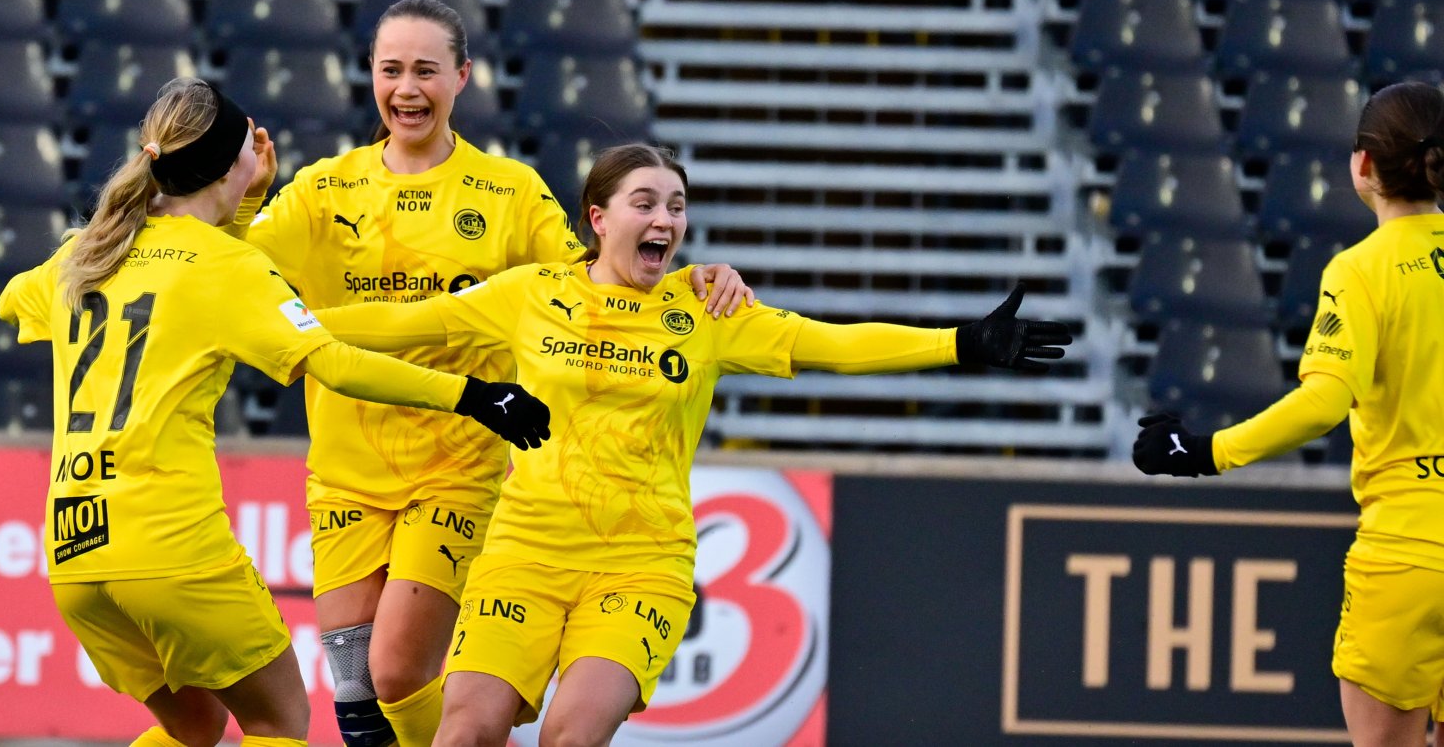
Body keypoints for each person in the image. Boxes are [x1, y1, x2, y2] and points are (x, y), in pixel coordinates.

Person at [308, 142, 1073, 746]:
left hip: (640, 564)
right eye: (645, 203)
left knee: (572, 736)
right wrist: (275, 326)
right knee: (466, 729)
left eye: (677, 206)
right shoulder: (530, 295)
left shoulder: (707, 309)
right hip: (524, 553)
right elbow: (406, 328)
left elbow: (829, 344)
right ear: (598, 218)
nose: (666, 221)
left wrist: (959, 342)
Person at [225, 0, 753, 747]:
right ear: (370, 76)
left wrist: (690, 284)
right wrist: (247, 205)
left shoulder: (507, 192)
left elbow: (590, 277)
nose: (407, 89)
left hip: (457, 464)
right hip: (344, 467)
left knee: (400, 670)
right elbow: (236, 276)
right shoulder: (322, 190)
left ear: (462, 77)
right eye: (391, 70)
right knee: (354, 691)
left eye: (426, 71)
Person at [0, 77, 552, 747]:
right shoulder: (225, 267)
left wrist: (229, 216)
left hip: (75, 554)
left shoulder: (83, 256)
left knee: (195, 726)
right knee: (280, 720)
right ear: (239, 165)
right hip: (173, 549)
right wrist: (473, 395)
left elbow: (11, 301)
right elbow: (337, 363)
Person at [1132, 80, 1444, 747]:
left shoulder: (1360, 271)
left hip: (1407, 556)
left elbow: (1323, 402)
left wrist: (1204, 451)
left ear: (1362, 165)